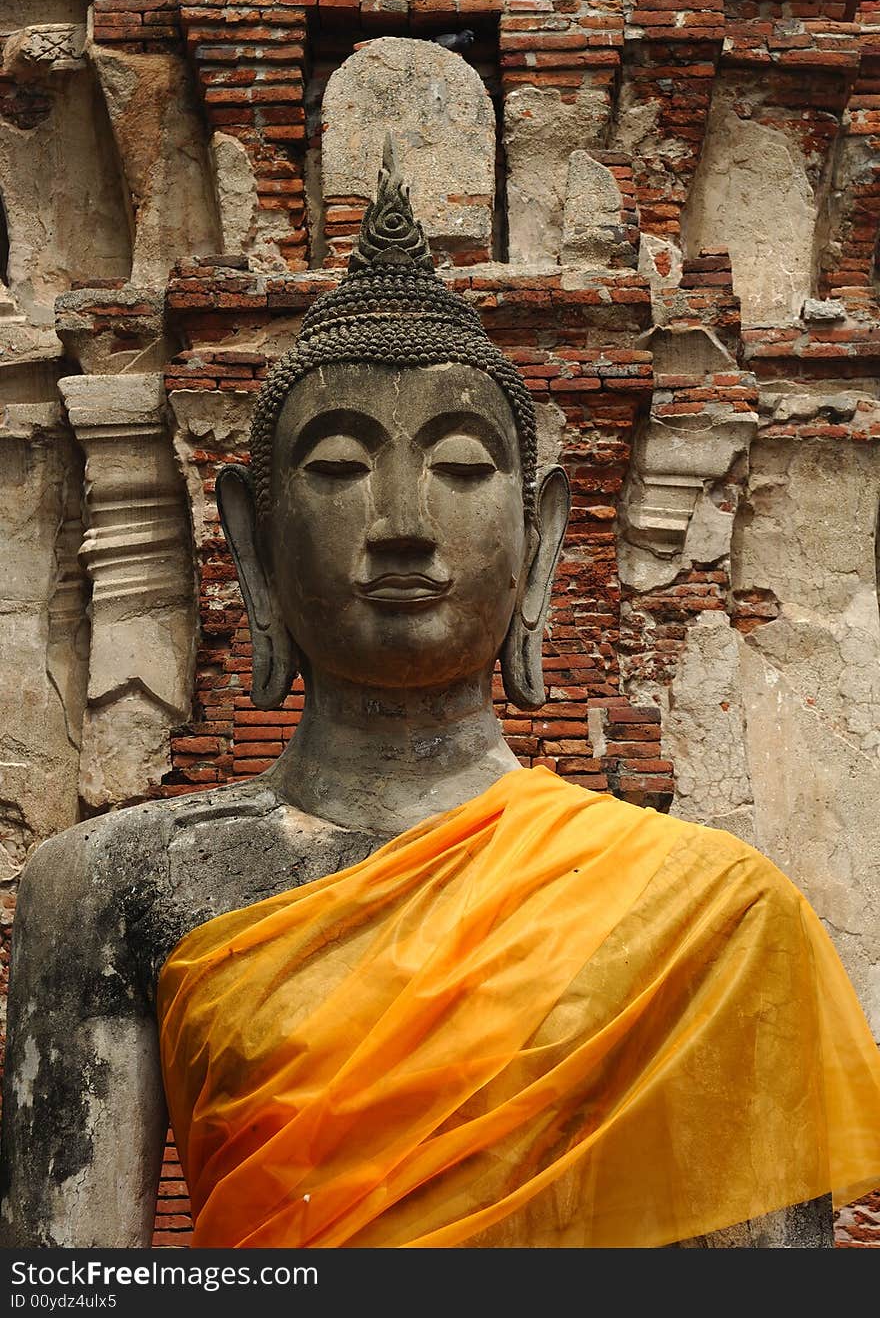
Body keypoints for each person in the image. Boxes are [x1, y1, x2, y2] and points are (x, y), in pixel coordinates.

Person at [2, 143, 879, 1249]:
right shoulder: (115, 885)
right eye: (336, 468)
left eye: (463, 469)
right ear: (250, 542)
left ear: (542, 541)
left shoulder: (707, 911)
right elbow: (67, 1277)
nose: (404, 520)